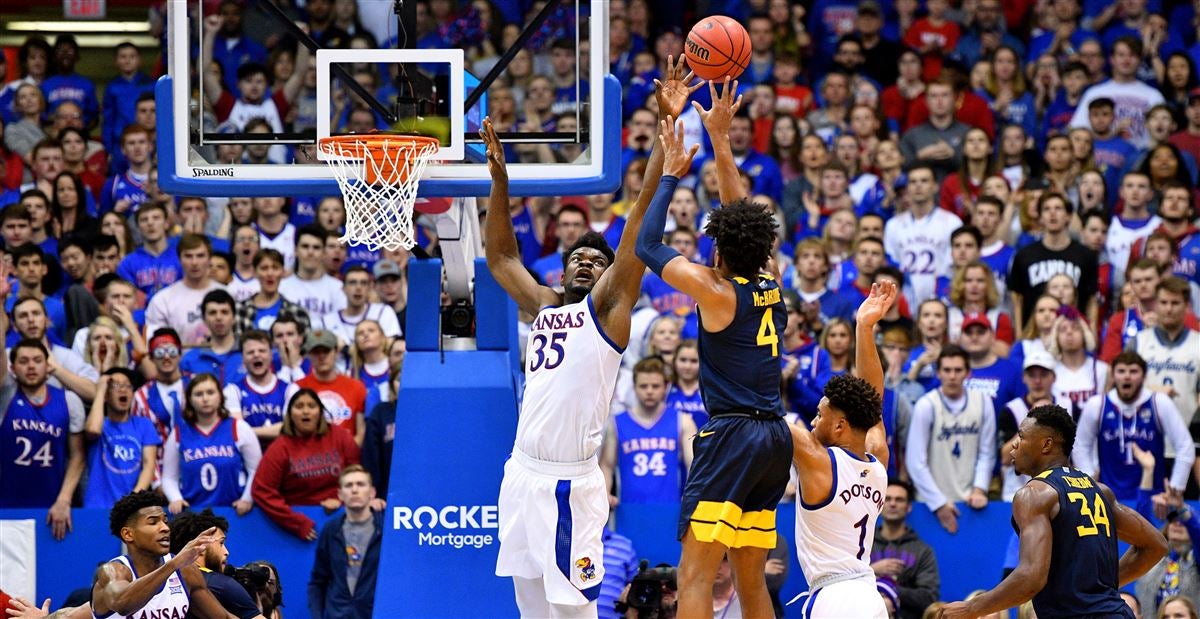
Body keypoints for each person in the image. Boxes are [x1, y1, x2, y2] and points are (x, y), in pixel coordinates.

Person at [482, 55, 696, 616]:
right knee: (528, 604)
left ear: (609, 277)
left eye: (594, 261)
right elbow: (501, 256)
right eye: (575, 256)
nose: (584, 262)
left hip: (568, 485)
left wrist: (663, 141)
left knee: (576, 610)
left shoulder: (609, 310)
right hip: (520, 473)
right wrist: (500, 182)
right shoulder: (545, 306)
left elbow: (636, 224)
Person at [635, 78, 793, 619]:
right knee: (751, 582)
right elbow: (743, 220)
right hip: (774, 437)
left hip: (732, 437)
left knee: (695, 574)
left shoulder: (716, 289)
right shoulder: (770, 279)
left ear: (720, 250)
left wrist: (672, 175)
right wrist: (720, 141)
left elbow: (646, 245)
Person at [936, 405, 1168, 618]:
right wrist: (1101, 586)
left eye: (1022, 437)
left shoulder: (1034, 494)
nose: (1014, 444)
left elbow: (1031, 576)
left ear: (1046, 445)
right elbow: (1155, 545)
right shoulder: (1099, 490)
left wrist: (971, 608)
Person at [787, 281, 895, 618]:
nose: (813, 421)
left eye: (819, 415)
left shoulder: (818, 458)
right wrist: (865, 327)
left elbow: (760, 411)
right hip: (869, 593)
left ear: (838, 426)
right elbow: (872, 400)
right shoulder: (878, 460)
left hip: (835, 597)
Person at [0, 326, 86, 541]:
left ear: (48, 365)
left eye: (37, 360)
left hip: (52, 506)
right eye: (24, 361)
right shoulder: (5, 398)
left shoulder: (69, 401)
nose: (31, 366)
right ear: (12, 368)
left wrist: (64, 499)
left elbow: (78, 456)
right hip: (5, 504)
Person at [90, 490, 234, 619]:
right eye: (153, 522)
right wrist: (173, 564)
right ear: (128, 534)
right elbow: (122, 604)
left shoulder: (185, 571)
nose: (165, 528)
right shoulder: (113, 571)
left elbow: (223, 617)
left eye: (165, 521)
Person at [1074, 351, 1194, 501]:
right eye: (1121, 371)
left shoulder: (1159, 402)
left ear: (1144, 377)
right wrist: (1089, 479)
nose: (1127, 376)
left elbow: (1185, 446)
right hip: (1109, 498)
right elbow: (1080, 445)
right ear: (1113, 376)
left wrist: (1175, 488)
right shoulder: (1097, 404)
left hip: (1153, 498)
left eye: (1133, 371)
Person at [905, 345, 996, 535]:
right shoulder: (926, 405)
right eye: (947, 370)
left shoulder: (983, 402)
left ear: (968, 373)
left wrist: (980, 488)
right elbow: (915, 461)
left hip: (970, 501)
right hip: (930, 503)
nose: (952, 376)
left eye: (958, 370)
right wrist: (938, 503)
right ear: (938, 373)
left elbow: (987, 452)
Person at [252, 388, 360, 540]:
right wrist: (295, 522)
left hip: (342, 515)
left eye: (311, 406)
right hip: (300, 525)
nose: (306, 411)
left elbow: (357, 474)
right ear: (290, 414)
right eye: (299, 406)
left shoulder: (339, 436)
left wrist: (342, 499)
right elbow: (261, 491)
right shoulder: (280, 447)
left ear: (320, 412)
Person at [600, 357, 697, 506]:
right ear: (634, 387)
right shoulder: (617, 422)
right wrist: (605, 494)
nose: (649, 391)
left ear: (665, 387)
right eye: (643, 386)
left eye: (655, 386)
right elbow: (606, 465)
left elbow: (694, 464)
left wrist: (691, 495)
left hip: (671, 508)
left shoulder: (682, 420)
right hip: (628, 509)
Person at [161, 373, 261, 515]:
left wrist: (247, 499)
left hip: (232, 511)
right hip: (193, 513)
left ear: (220, 396)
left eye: (210, 392)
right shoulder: (178, 433)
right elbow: (169, 477)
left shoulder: (239, 428)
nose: (205, 399)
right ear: (189, 399)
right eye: (198, 394)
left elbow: (256, 470)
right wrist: (175, 498)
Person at [307, 464, 383, 619]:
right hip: (337, 615)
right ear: (340, 494)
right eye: (349, 485)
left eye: (361, 484)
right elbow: (318, 581)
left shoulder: (385, 530)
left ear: (372, 492)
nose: (354, 490)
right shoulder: (331, 530)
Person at [82, 368, 159, 508]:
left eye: (127, 386)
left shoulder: (144, 424)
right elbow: (92, 430)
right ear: (106, 394)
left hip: (132, 507)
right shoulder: (99, 424)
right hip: (97, 506)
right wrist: (100, 391)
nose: (123, 390)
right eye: (116, 386)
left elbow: (149, 465)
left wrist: (133, 500)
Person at [169, 509, 266, 619]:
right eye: (221, 543)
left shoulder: (165, 582)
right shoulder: (223, 585)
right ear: (202, 545)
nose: (226, 552)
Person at [871, 478, 941, 619]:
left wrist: (888, 587)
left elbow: (929, 598)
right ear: (879, 504)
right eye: (888, 498)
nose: (892, 503)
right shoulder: (864, 544)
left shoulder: (923, 551)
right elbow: (844, 585)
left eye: (899, 500)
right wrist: (872, 570)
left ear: (909, 507)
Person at [144, 234, 228, 347]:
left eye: (200, 256)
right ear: (179, 259)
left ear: (209, 259)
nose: (194, 262)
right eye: (188, 256)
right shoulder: (162, 300)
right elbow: (156, 345)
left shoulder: (227, 295)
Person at [224, 330, 296, 445]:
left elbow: (290, 428)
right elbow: (236, 431)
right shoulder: (232, 391)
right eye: (250, 352)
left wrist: (250, 431)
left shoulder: (290, 389)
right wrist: (273, 430)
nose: (256, 355)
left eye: (262, 351)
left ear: (271, 355)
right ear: (243, 358)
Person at [296, 329, 366, 445]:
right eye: (316, 352)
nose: (322, 356)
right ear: (308, 355)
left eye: (326, 351)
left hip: (347, 455)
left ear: (336, 352)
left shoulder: (356, 387)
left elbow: (360, 433)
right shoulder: (298, 387)